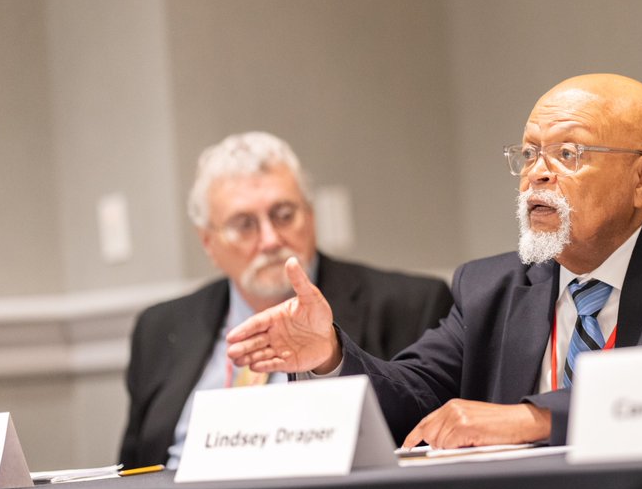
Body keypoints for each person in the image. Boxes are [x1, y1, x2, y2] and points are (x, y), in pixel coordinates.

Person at [226, 74, 642, 448]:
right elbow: (409, 398)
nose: (538, 173)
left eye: (569, 153)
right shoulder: (490, 285)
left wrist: (535, 419)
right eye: (530, 152)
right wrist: (327, 355)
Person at [119, 132, 453, 468]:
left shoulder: (408, 305)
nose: (270, 240)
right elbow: (132, 472)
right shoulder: (160, 329)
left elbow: (423, 441)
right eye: (244, 224)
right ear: (208, 243)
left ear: (310, 216)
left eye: (283, 214)